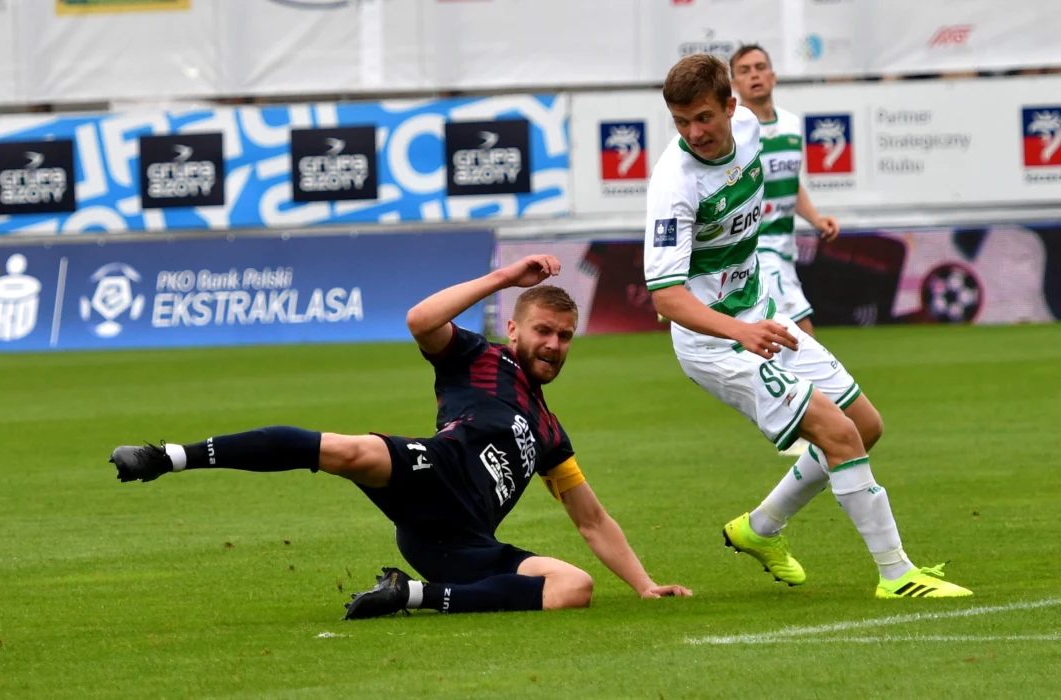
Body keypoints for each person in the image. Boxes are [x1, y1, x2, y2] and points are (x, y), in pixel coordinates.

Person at [110, 255, 692, 618]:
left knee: (574, 589)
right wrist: (504, 278)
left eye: (565, 337)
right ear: (514, 327)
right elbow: (420, 320)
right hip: (431, 471)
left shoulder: (550, 432)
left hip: (458, 542)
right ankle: (169, 457)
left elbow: (591, 519)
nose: (553, 345)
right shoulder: (478, 356)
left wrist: (644, 586)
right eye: (544, 331)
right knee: (348, 449)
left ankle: (406, 597)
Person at [644, 54, 969, 599]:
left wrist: (757, 315)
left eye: (703, 118)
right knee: (837, 433)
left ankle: (760, 528)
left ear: (732, 106)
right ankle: (897, 575)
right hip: (715, 344)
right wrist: (738, 332)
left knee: (864, 425)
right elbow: (666, 297)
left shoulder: (750, 130)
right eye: (680, 122)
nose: (693, 133)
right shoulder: (673, 186)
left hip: (762, 315)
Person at [729, 44, 838, 338]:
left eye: (760, 67)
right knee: (803, 334)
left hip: (785, 248)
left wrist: (815, 219)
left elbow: (791, 183)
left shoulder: (792, 125)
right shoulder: (733, 132)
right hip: (756, 249)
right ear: (734, 84)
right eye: (745, 70)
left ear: (773, 77)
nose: (755, 75)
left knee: (778, 341)